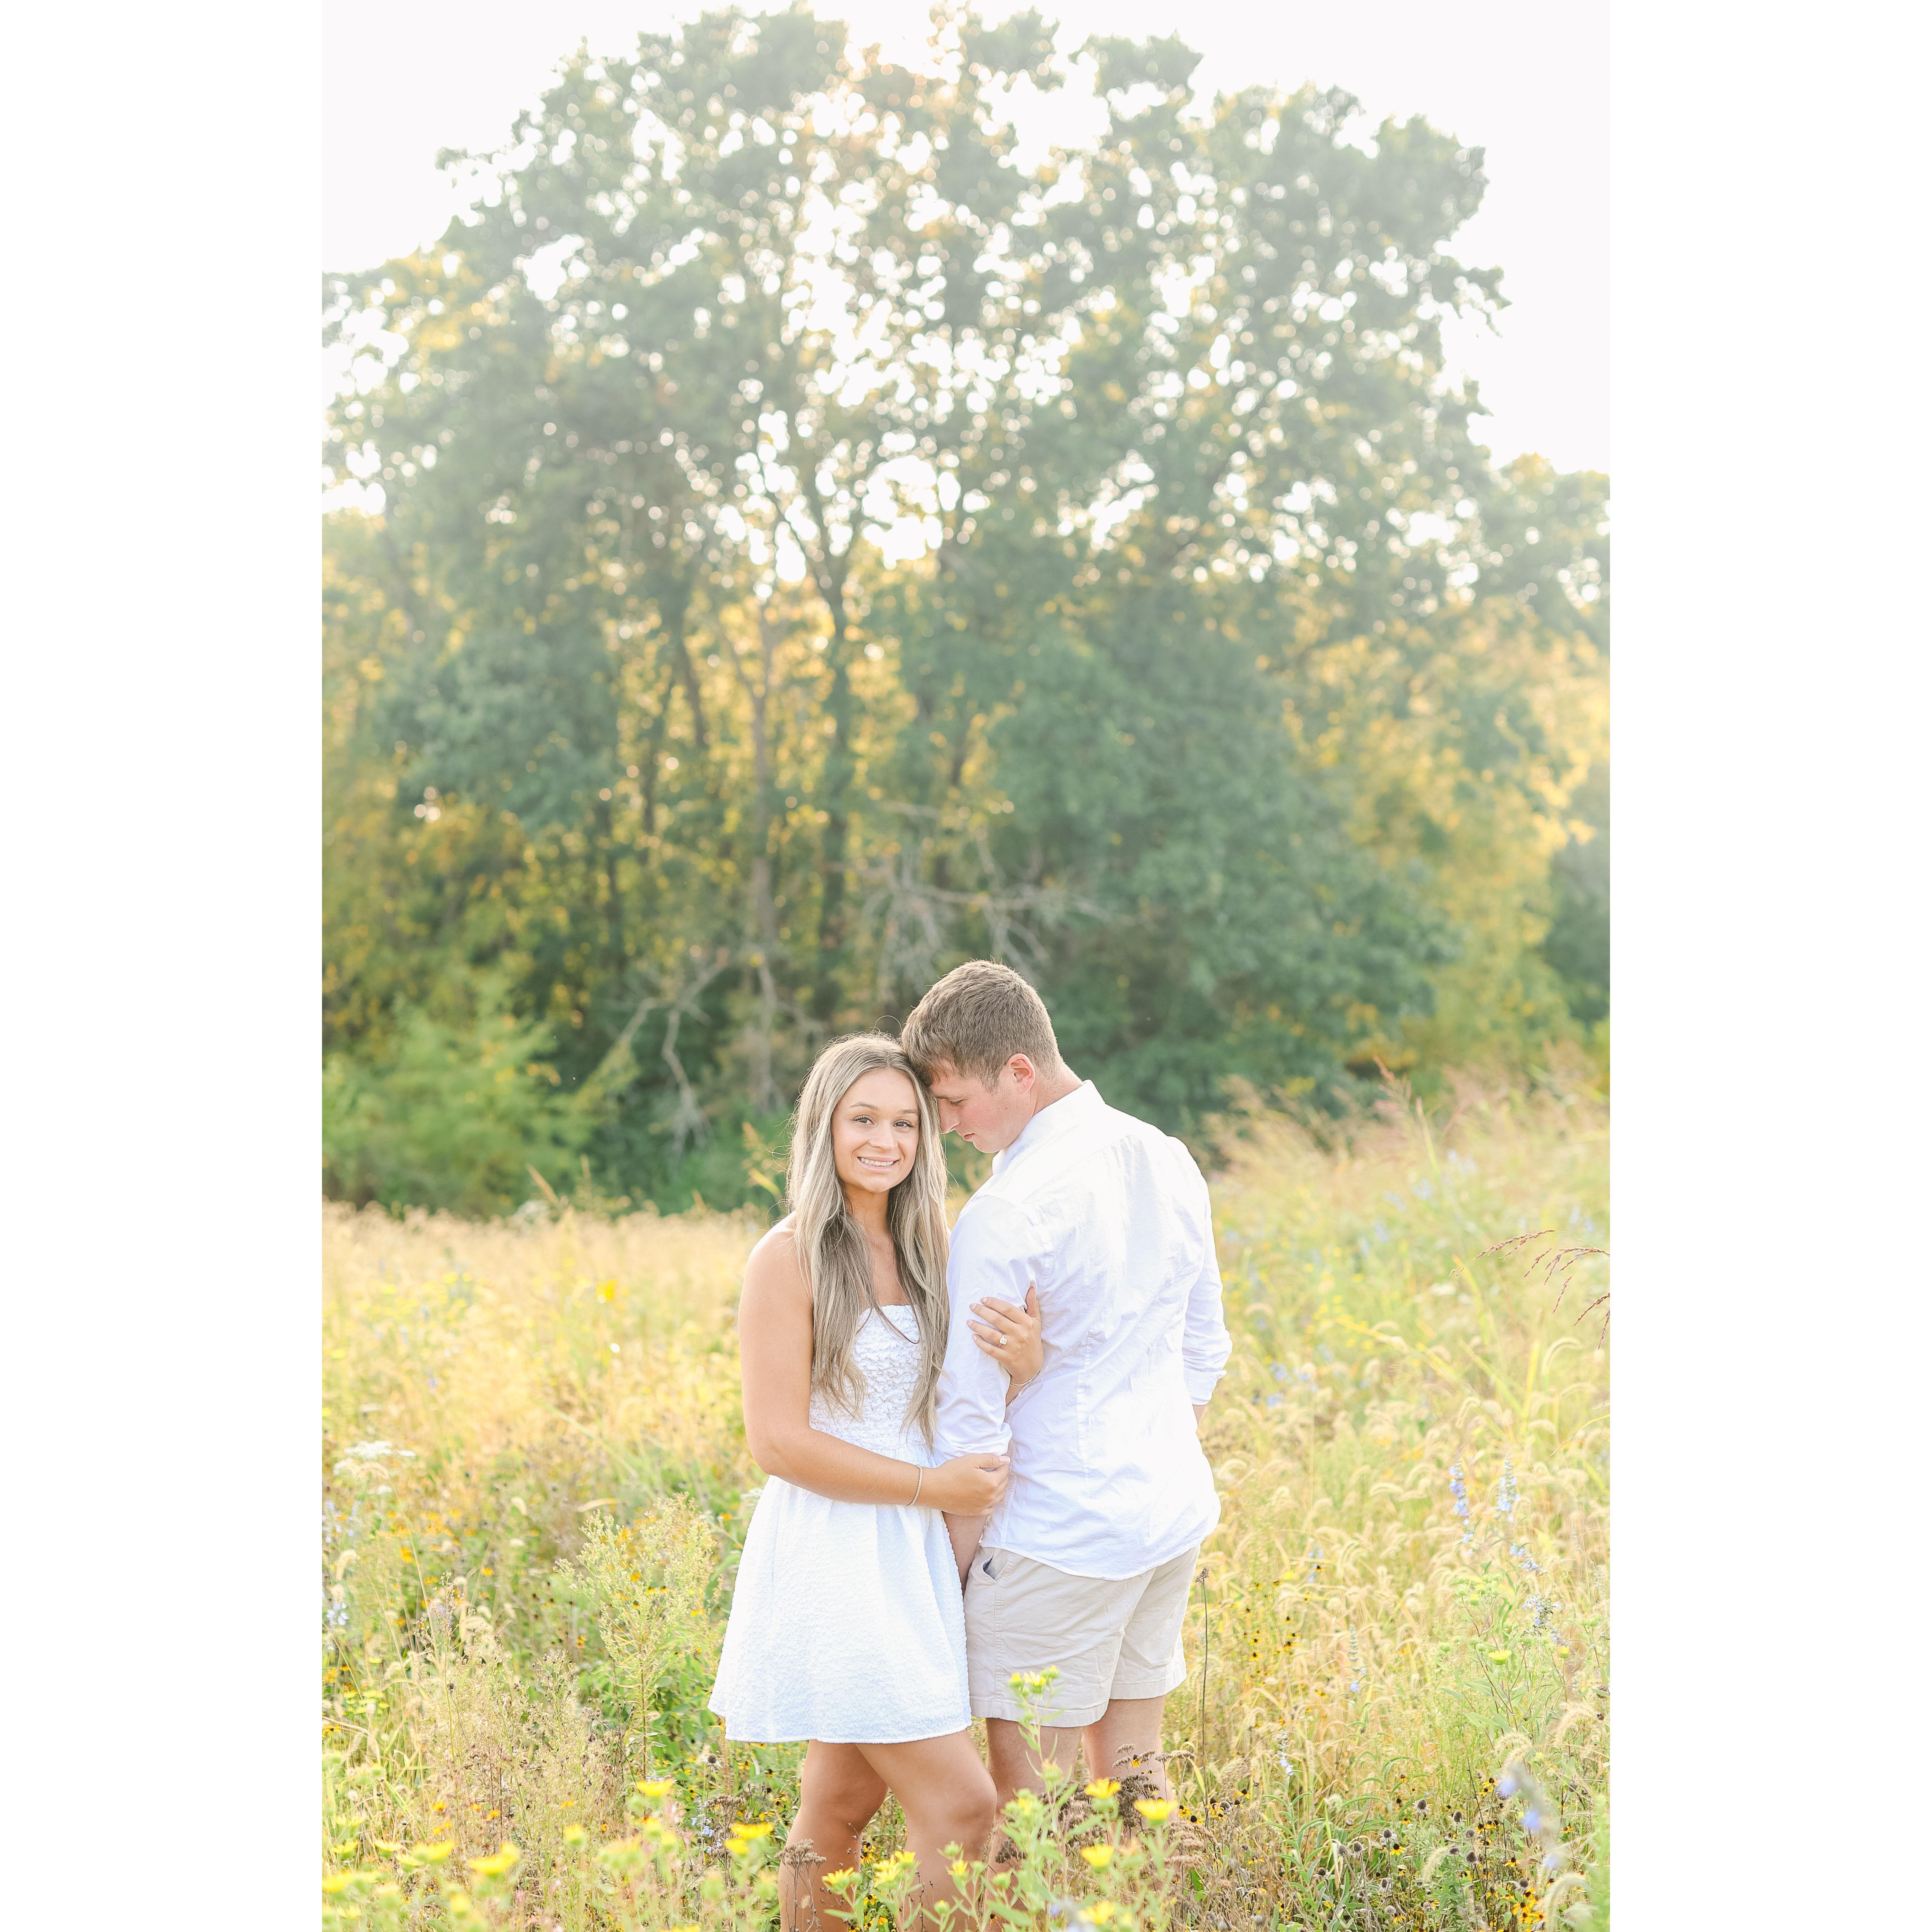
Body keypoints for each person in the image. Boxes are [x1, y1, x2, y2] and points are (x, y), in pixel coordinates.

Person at [708, 1032, 1045, 1930]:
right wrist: (932, 1490)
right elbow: (778, 1442)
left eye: (904, 1123)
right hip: (840, 1550)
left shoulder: (933, 1239)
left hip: (914, 1557)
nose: (885, 1142)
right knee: (968, 1812)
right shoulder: (786, 1259)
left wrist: (1028, 1361)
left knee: (836, 1813)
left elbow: (959, 1391)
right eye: (863, 1120)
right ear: (824, 1126)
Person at [900, 961, 1233, 1810]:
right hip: (1165, 1515)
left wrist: (952, 1578)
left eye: (955, 1101)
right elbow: (1205, 1347)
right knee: (1136, 1774)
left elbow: (970, 1422)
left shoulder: (1008, 1211)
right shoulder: (1168, 1158)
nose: (945, 1125)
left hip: (1055, 1538)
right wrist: (1150, 1448)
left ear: (1020, 1070)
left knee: (1032, 1808)